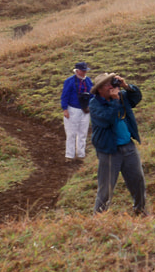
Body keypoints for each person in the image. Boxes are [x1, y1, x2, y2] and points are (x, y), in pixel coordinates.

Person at [88, 72, 147, 215]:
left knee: (138, 181)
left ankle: (140, 211)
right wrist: (114, 100)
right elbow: (106, 119)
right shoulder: (94, 104)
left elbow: (136, 97)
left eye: (111, 82)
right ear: (99, 89)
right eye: (107, 84)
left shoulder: (122, 96)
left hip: (128, 146)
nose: (111, 86)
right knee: (106, 188)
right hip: (109, 150)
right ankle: (99, 218)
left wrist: (126, 86)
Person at [60, 61, 93, 160]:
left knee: (83, 133)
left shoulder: (88, 81)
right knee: (71, 133)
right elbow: (64, 96)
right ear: (77, 71)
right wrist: (65, 109)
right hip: (73, 109)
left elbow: (92, 94)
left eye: (85, 71)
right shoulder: (69, 81)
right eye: (83, 71)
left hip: (85, 109)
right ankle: (69, 155)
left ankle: (81, 154)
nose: (84, 73)